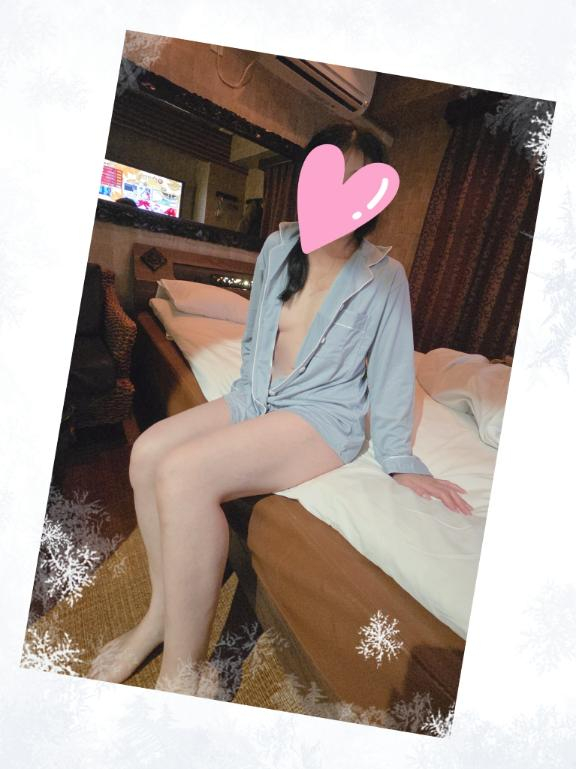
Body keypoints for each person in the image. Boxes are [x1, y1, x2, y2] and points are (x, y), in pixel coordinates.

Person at [87, 121, 472, 695]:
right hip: (257, 394)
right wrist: (248, 390)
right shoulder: (278, 246)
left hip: (322, 416)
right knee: (146, 452)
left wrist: (398, 460)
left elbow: (394, 371)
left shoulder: (385, 276)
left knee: (184, 475)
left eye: (353, 182)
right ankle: (160, 618)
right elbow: (254, 334)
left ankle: (183, 674)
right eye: (327, 177)